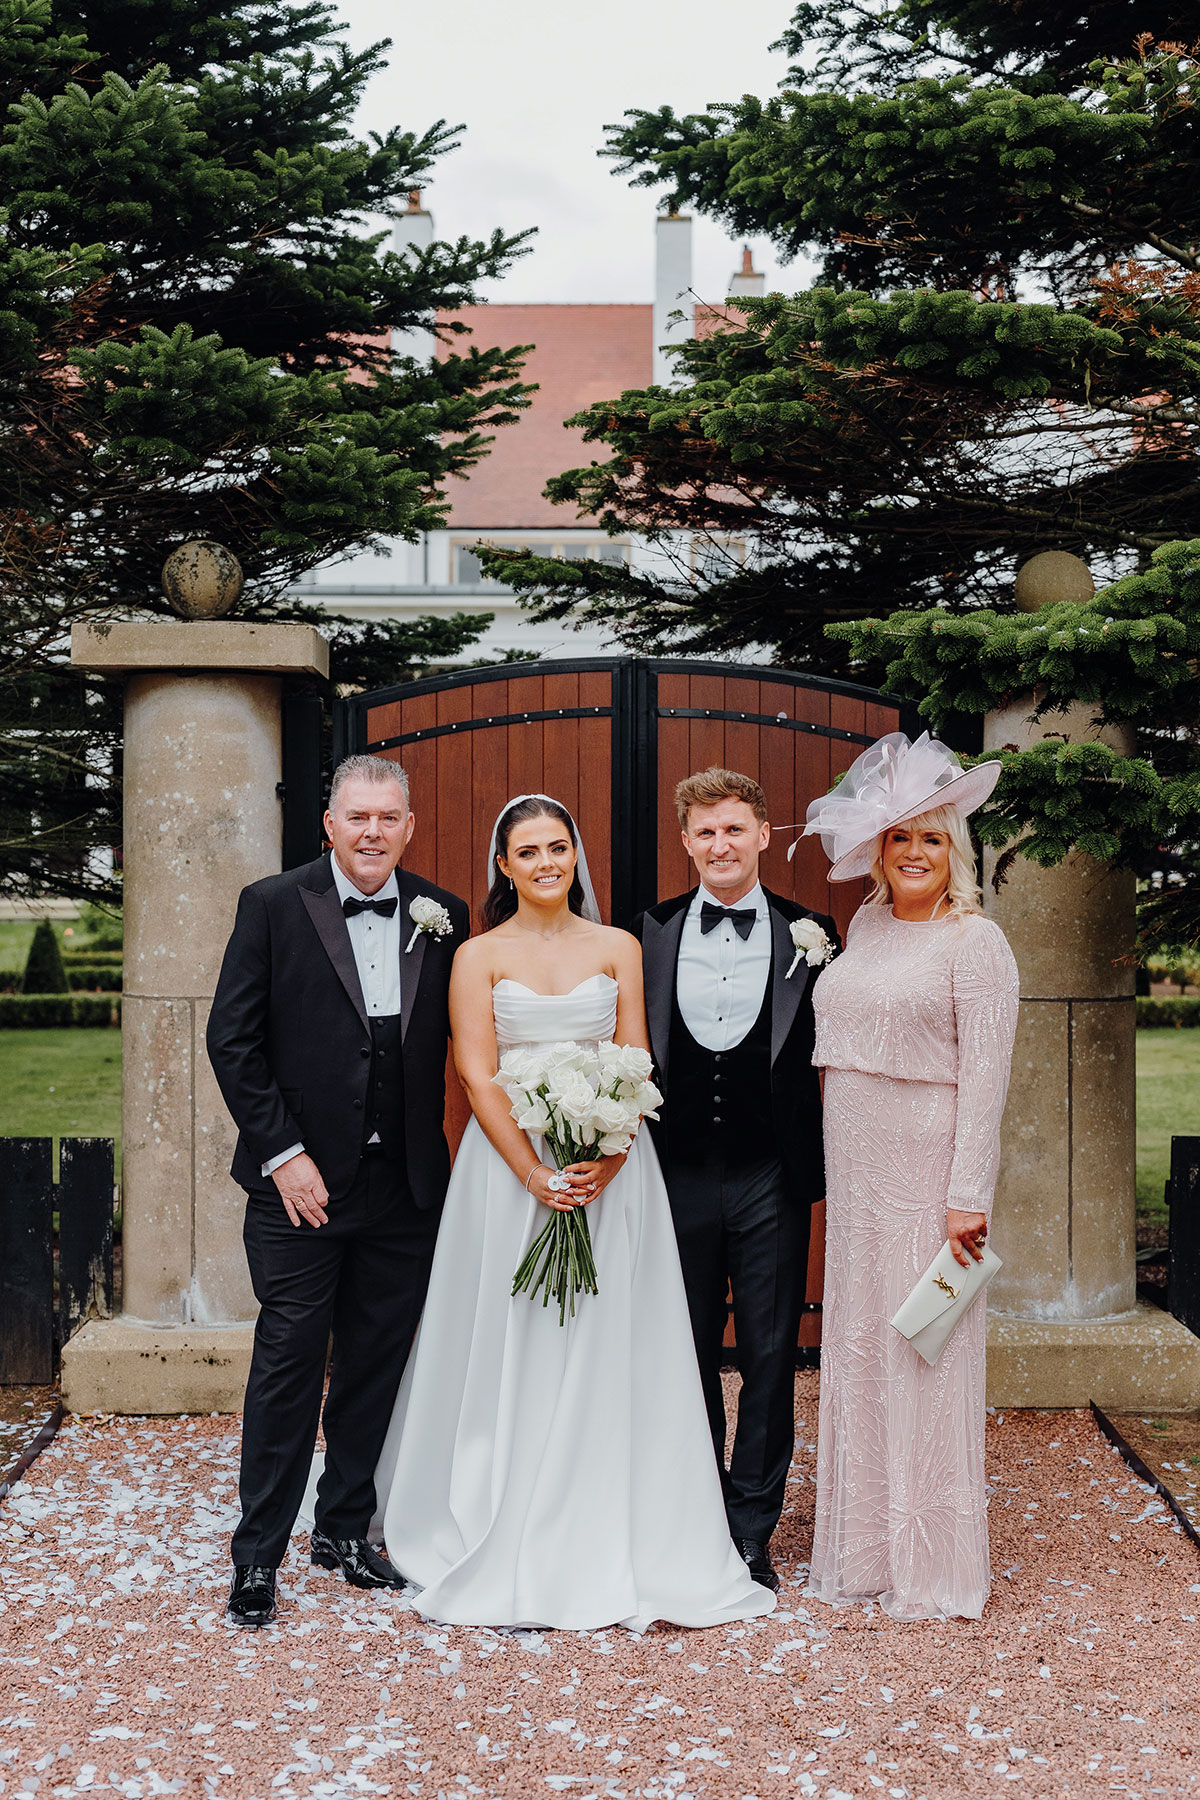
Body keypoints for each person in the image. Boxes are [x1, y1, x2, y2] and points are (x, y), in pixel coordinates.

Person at [362, 793, 774, 1631]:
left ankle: (617, 1516)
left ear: (574, 856)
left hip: (613, 1173)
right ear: (504, 867)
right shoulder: (477, 956)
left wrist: (605, 1160)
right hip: (507, 1175)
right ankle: (498, 1510)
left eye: (559, 847)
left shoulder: (620, 946)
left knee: (608, 1336)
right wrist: (534, 1178)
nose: (548, 863)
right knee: (515, 1332)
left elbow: (636, 1063)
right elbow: (477, 1078)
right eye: (529, 852)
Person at [206, 754, 469, 1628]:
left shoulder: (444, 915)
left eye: (387, 818)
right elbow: (232, 1040)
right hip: (299, 1193)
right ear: (329, 823)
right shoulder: (274, 905)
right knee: (286, 1367)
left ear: (409, 825)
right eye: (356, 817)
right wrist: (284, 1154)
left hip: (401, 1188)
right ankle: (256, 1557)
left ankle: (345, 1529)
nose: (371, 833)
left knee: (373, 1367)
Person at [803, 730, 1020, 1621]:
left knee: (924, 1351)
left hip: (931, 1175)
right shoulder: (866, 924)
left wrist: (968, 1193)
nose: (916, 853)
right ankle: (865, 1555)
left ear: (954, 850)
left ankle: (932, 1565)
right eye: (901, 838)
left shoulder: (979, 942)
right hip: (856, 1173)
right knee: (859, 1349)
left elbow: (990, 1075)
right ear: (880, 853)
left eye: (933, 838)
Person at [633, 767, 839, 1594]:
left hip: (771, 1176)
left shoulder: (812, 933)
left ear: (763, 835)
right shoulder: (646, 932)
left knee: (766, 1355)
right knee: (681, 1355)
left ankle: (752, 1529)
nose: (720, 845)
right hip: (673, 1174)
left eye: (734, 829)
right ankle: (695, 1515)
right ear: (686, 843)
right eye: (704, 832)